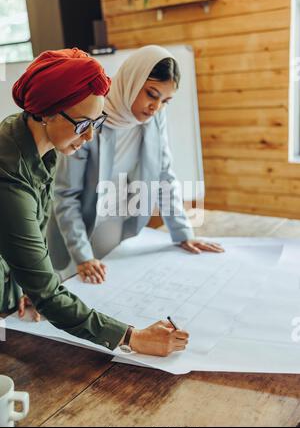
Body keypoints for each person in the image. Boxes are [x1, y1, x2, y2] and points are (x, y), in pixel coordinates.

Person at [0, 47, 189, 357]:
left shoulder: (37, 141)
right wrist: (134, 337)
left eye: (96, 123)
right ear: (48, 111)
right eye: (81, 125)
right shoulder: (8, 173)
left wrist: (23, 285)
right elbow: (48, 293)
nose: (89, 137)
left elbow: (26, 233)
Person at [48, 45, 224, 286]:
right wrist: (83, 256)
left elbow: (164, 176)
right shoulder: (91, 116)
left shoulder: (154, 119)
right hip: (74, 231)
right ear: (132, 81)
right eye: (152, 94)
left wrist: (183, 234)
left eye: (165, 101)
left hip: (118, 222)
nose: (157, 107)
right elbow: (66, 196)